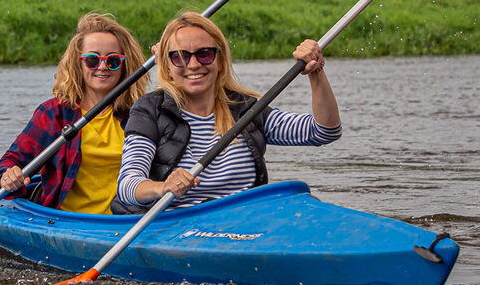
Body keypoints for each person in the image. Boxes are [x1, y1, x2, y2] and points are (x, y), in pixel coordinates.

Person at [114, 11, 340, 212]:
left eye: (204, 54)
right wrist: (163, 187)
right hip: (178, 227)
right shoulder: (149, 110)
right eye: (180, 57)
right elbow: (127, 186)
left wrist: (315, 72)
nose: (193, 65)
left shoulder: (246, 109)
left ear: (220, 61)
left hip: (244, 223)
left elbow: (323, 131)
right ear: (168, 67)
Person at [0, 12, 149, 213]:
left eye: (112, 61)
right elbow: (8, 163)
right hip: (68, 223)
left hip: (124, 222)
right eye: (92, 60)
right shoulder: (54, 113)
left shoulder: (140, 114)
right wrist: (7, 176)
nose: (102, 67)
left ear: (124, 65)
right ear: (79, 63)